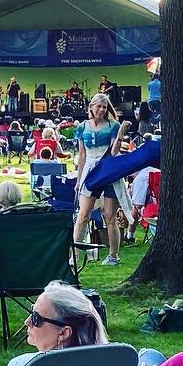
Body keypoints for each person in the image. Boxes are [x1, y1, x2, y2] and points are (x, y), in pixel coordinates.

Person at [71, 93, 125, 266]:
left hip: (108, 170)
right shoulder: (82, 127)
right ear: (91, 107)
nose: (101, 110)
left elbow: (114, 152)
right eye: (98, 106)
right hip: (89, 171)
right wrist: (79, 180)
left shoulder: (113, 125)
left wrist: (121, 134)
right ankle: (75, 255)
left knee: (110, 216)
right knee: (83, 215)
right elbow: (81, 155)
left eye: (104, 107)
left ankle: (113, 256)